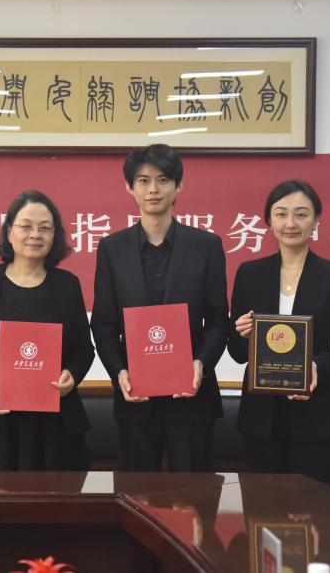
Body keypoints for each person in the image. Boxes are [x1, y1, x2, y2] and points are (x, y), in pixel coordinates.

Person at [91, 144, 231, 472]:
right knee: (136, 495)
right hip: (135, 399)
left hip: (193, 399)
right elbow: (103, 324)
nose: (153, 189)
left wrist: (201, 364)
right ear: (130, 187)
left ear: (178, 186)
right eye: (143, 181)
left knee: (196, 495)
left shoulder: (206, 246)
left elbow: (217, 320)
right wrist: (119, 373)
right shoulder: (112, 248)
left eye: (163, 180)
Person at [228, 180, 330, 487]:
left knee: (317, 511)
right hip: (261, 420)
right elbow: (236, 353)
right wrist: (243, 335)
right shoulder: (249, 274)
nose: (290, 223)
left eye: (301, 214)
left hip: (318, 418)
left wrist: (314, 367)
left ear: (316, 220)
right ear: (269, 221)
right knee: (264, 509)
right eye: (281, 214)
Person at [0, 190, 94, 470]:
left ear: (55, 235)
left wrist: (72, 375)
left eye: (45, 228)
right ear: (9, 232)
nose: (35, 235)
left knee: (57, 496)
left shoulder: (67, 284)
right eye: (26, 226)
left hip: (54, 424)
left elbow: (83, 348)